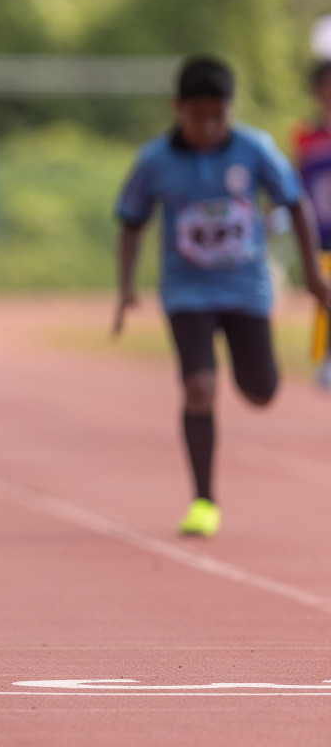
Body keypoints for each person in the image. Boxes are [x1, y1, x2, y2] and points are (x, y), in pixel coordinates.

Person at [114, 54, 331, 538]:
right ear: (179, 109)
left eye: (218, 115)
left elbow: (294, 204)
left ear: (230, 110)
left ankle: (244, 368)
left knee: (261, 392)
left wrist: (314, 276)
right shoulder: (156, 161)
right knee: (199, 389)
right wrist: (126, 286)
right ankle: (203, 500)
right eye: (198, 116)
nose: (208, 127)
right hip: (187, 291)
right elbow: (131, 220)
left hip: (246, 288)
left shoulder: (254, 150)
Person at [292, 60, 331, 388]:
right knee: (325, 289)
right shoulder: (306, 137)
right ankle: (326, 358)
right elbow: (292, 184)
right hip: (319, 230)